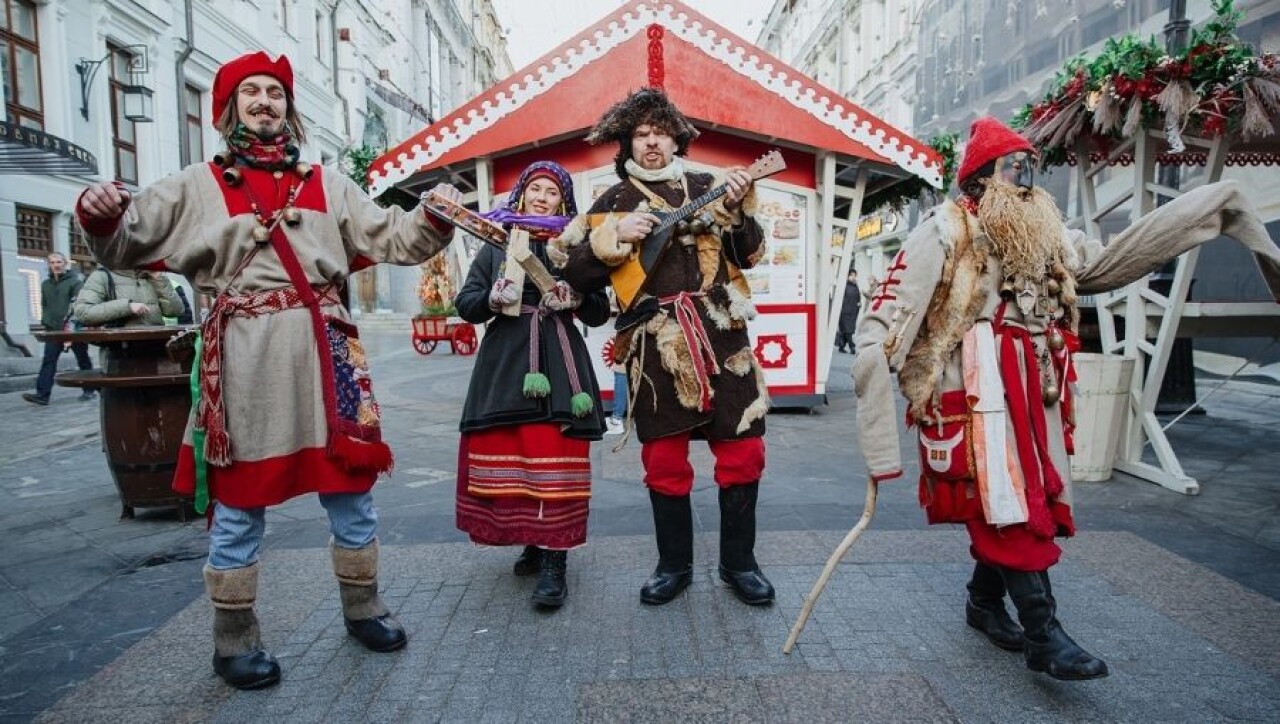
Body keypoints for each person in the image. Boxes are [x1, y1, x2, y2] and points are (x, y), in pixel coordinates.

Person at [74, 51, 459, 690]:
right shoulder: (195, 185)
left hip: (327, 348)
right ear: (228, 110)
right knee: (239, 501)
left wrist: (434, 215)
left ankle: (363, 607)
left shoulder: (328, 182)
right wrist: (100, 211)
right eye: (250, 92)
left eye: (274, 93)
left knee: (351, 489)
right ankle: (234, 639)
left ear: (288, 107)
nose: (264, 102)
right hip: (245, 355)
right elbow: (125, 240)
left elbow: (393, 236)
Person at [853, 116, 1280, 681]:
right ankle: (1043, 633)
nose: (1028, 182)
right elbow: (887, 316)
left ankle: (983, 603)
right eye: (1014, 170)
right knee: (1005, 500)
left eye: (1032, 170)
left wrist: (1208, 211)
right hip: (972, 388)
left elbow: (1104, 263)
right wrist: (878, 416)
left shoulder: (1047, 231)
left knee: (1022, 498)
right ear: (981, 179)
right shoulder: (941, 230)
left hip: (1035, 388)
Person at [560, 88, 774, 607]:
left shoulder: (709, 185)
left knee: (744, 451)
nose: (651, 141)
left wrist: (738, 211)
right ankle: (673, 565)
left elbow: (749, 255)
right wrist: (616, 236)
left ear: (676, 137)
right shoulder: (611, 202)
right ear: (627, 143)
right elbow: (578, 275)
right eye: (640, 134)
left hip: (722, 332)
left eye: (659, 132)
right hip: (654, 340)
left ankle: (739, 564)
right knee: (663, 460)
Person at [453, 161, 608, 609]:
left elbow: (598, 310)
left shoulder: (575, 246)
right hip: (505, 366)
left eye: (553, 191)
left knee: (553, 457)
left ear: (564, 201)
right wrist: (491, 298)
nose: (543, 197)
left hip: (560, 365)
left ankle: (556, 561)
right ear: (521, 194)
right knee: (516, 456)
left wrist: (577, 297)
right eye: (535, 188)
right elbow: (466, 304)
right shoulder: (496, 244)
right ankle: (532, 541)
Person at [23, 253, 95, 406]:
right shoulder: (45, 284)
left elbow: (77, 306)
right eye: (53, 262)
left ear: (65, 263)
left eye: (59, 262)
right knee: (49, 360)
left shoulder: (75, 282)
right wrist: (46, 323)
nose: (56, 265)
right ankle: (42, 395)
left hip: (73, 329)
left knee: (82, 359)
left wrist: (71, 329)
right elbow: (45, 305)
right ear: (49, 264)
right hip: (53, 330)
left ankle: (89, 390)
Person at [72, 268, 185, 328]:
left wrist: (158, 278)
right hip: (120, 353)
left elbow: (176, 311)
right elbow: (83, 312)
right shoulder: (102, 276)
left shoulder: (152, 275)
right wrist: (127, 307)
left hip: (157, 347)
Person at [836, 270, 861, 353]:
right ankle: (852, 346)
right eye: (851, 275)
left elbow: (858, 297)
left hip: (853, 311)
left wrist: (858, 304)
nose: (853, 277)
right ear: (847, 276)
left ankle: (841, 346)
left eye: (854, 275)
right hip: (844, 311)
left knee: (846, 330)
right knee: (848, 330)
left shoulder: (855, 286)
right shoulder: (844, 286)